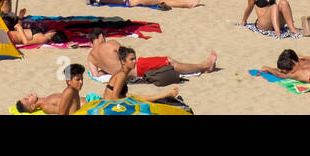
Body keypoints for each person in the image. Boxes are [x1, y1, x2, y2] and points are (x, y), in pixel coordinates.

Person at [87, 29, 216, 80]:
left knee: (168, 64)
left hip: (125, 76)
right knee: (170, 62)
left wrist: (108, 70)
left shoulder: (91, 57)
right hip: (136, 69)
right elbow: (127, 56)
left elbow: (96, 75)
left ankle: (203, 66)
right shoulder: (110, 44)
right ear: (100, 36)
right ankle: (204, 66)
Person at [104, 47, 181, 104]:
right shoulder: (122, 75)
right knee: (140, 99)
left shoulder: (123, 74)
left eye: (135, 59)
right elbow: (114, 97)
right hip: (110, 105)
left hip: (110, 102)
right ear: (123, 61)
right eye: (131, 59)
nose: (135, 61)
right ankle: (166, 95)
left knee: (138, 97)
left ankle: (165, 95)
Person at [15, 63, 86, 114]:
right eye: (27, 99)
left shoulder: (47, 99)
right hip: (85, 107)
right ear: (33, 106)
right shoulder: (46, 106)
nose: (28, 95)